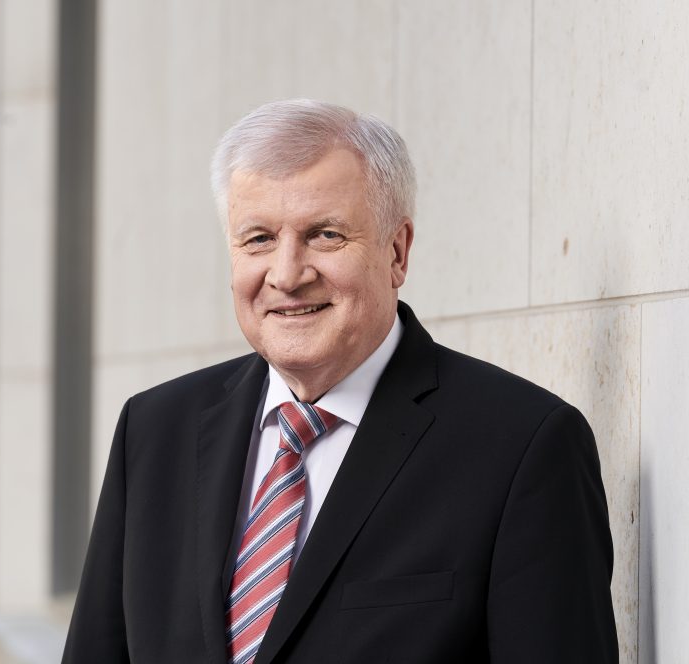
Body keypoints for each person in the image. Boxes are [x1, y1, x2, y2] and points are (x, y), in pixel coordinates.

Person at [62, 99, 618, 663]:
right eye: (257, 239)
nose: (286, 274)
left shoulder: (522, 447)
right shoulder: (155, 432)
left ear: (397, 252)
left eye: (324, 235)